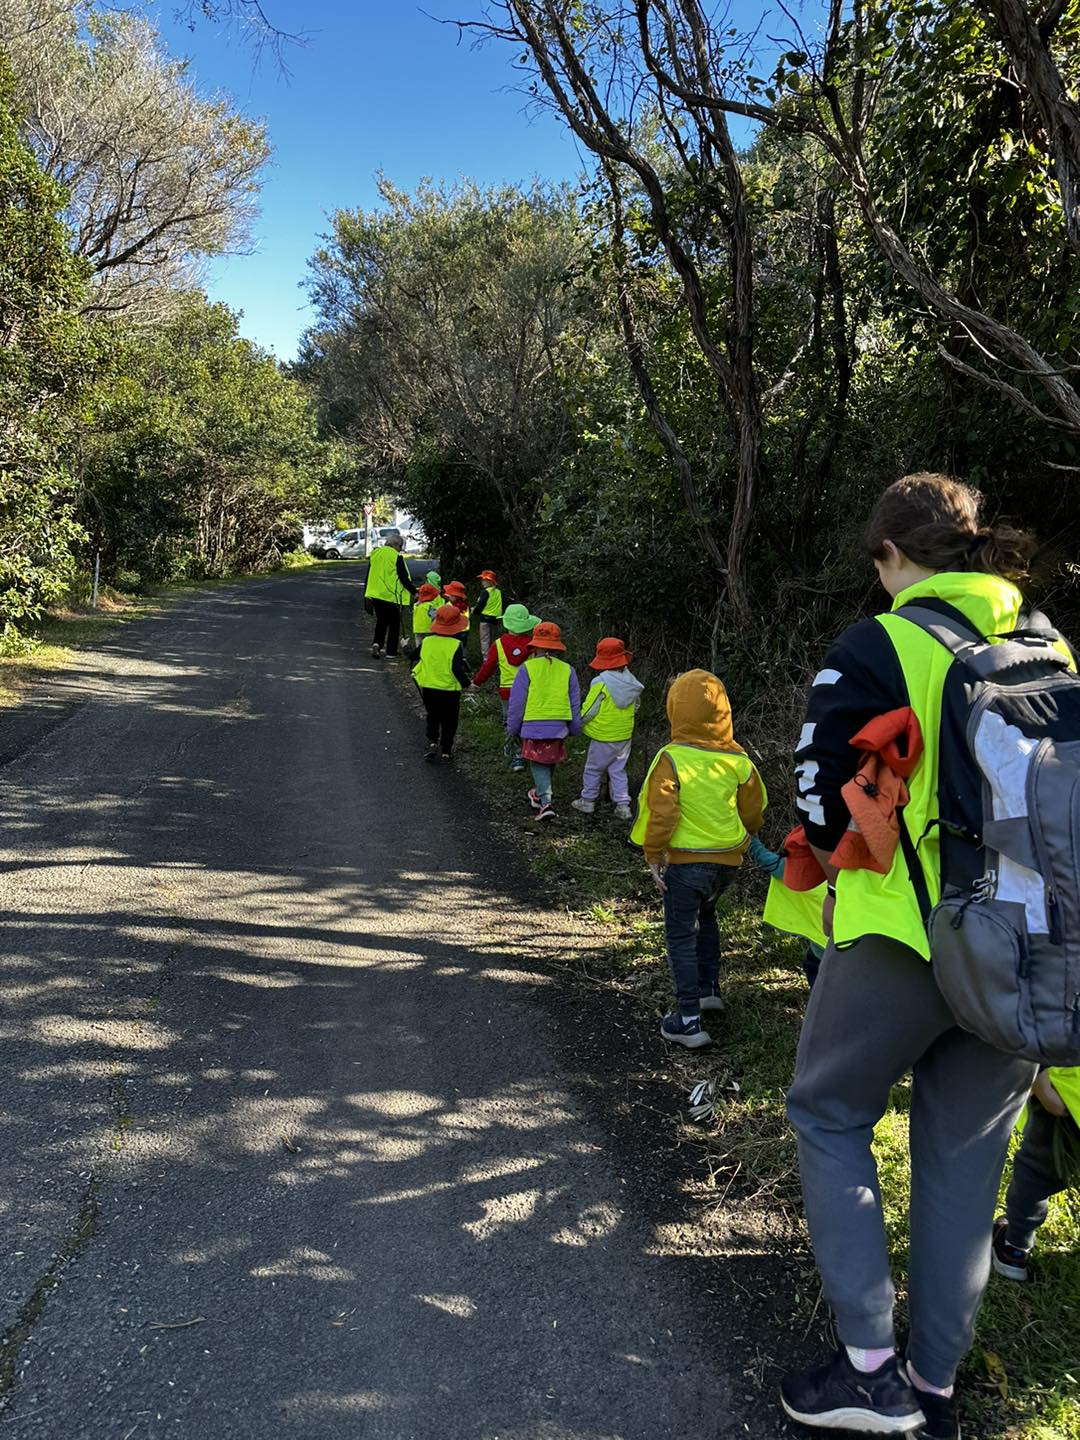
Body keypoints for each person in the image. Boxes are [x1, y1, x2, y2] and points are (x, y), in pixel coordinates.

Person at [781, 473, 1043, 1439]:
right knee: (965, 1162)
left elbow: (817, 804)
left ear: (890, 555)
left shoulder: (879, 644)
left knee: (828, 1110)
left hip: (906, 936)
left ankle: (867, 1364)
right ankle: (934, 1382)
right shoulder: (1047, 642)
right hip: (1025, 947)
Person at [629, 669, 766, 1049]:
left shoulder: (672, 758)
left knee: (680, 935)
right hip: (727, 864)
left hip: (686, 864)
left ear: (676, 710)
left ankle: (687, 1020)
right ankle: (708, 989)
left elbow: (663, 812)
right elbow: (753, 813)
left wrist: (654, 854)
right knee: (707, 918)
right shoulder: (739, 760)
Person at [992, 1066, 1080, 1282]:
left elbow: (1044, 1033)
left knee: (1036, 1173)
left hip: (1067, 1092)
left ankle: (1015, 1248)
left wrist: (1039, 1080)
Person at [506, 622, 581, 822]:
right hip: (558, 725)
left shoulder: (527, 668)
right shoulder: (568, 670)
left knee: (538, 764)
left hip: (533, 725)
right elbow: (575, 702)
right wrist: (575, 727)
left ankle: (546, 803)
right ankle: (539, 794)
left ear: (535, 646)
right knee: (548, 760)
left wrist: (512, 728)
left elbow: (517, 702)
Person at [571, 637, 643, 821]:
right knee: (618, 770)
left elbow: (590, 708)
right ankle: (623, 806)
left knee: (593, 768)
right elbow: (636, 706)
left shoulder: (601, 682)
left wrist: (578, 722)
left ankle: (587, 800)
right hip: (624, 734)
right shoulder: (631, 682)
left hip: (603, 734)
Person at [473, 602, 540, 773]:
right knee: (527, 720)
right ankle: (530, 752)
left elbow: (488, 666)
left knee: (510, 721)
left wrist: (476, 682)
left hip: (507, 690)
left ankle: (515, 753)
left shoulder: (499, 644)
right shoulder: (534, 644)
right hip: (530, 689)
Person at [411, 604, 472, 761]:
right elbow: (456, 670)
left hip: (429, 688)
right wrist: (467, 684)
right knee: (450, 720)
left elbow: (412, 656)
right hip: (450, 690)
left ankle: (432, 742)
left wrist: (405, 647)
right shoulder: (456, 645)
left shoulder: (427, 641)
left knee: (432, 716)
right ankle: (446, 750)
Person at [363, 530, 416, 658]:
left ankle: (377, 644)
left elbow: (369, 575)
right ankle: (391, 652)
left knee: (381, 622)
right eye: (400, 546)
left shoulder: (375, 554)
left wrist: (366, 594)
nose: (401, 549)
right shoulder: (396, 557)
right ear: (395, 545)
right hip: (392, 596)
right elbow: (403, 578)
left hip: (376, 594)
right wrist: (415, 591)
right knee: (394, 624)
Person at [477, 570, 504, 656]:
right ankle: (495, 657)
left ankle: (486, 659)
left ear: (490, 581)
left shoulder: (485, 592)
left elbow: (481, 604)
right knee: (494, 639)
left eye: (485, 580)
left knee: (485, 640)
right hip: (496, 619)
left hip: (485, 619)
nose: (483, 582)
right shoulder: (499, 592)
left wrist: (475, 611)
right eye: (482, 580)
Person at [410, 583, 441, 655]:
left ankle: (419, 658)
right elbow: (434, 616)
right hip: (428, 630)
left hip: (417, 629)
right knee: (428, 646)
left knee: (419, 646)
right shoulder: (430, 606)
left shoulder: (416, 605)